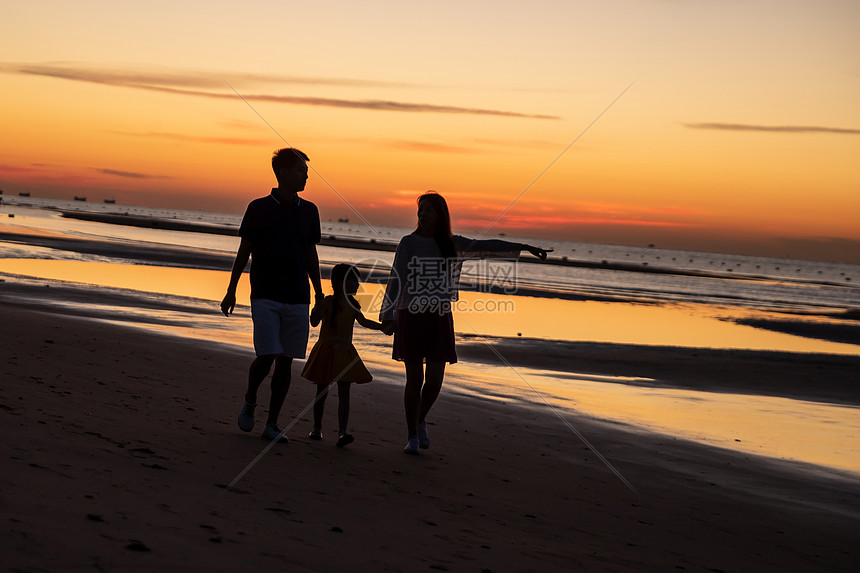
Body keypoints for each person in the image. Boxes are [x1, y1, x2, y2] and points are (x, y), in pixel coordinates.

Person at [380, 191, 551, 454]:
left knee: (434, 380)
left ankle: (420, 418)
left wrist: (524, 247)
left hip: (439, 317)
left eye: (428, 210)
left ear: (440, 215)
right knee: (414, 378)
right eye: (420, 209)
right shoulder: (408, 243)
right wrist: (388, 315)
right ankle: (412, 436)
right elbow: (396, 279)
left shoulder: (452, 243)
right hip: (411, 315)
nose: (422, 213)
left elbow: (487, 247)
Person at [221, 148, 324, 444]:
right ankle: (251, 397)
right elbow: (245, 251)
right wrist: (231, 289)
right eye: (301, 170)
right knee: (266, 355)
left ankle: (272, 423)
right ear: (283, 172)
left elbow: (310, 255)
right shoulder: (258, 207)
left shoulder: (310, 211)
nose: (306, 175)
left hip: (298, 296)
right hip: (264, 293)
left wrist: (318, 294)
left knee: (286, 360)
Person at [302, 263, 387, 447]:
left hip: (345, 352)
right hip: (326, 350)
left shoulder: (353, 305)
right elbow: (315, 322)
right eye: (353, 281)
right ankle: (317, 429)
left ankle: (342, 432)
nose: (357, 285)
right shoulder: (328, 303)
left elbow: (364, 322)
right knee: (321, 391)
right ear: (341, 283)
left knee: (344, 392)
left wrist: (382, 326)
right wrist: (315, 310)